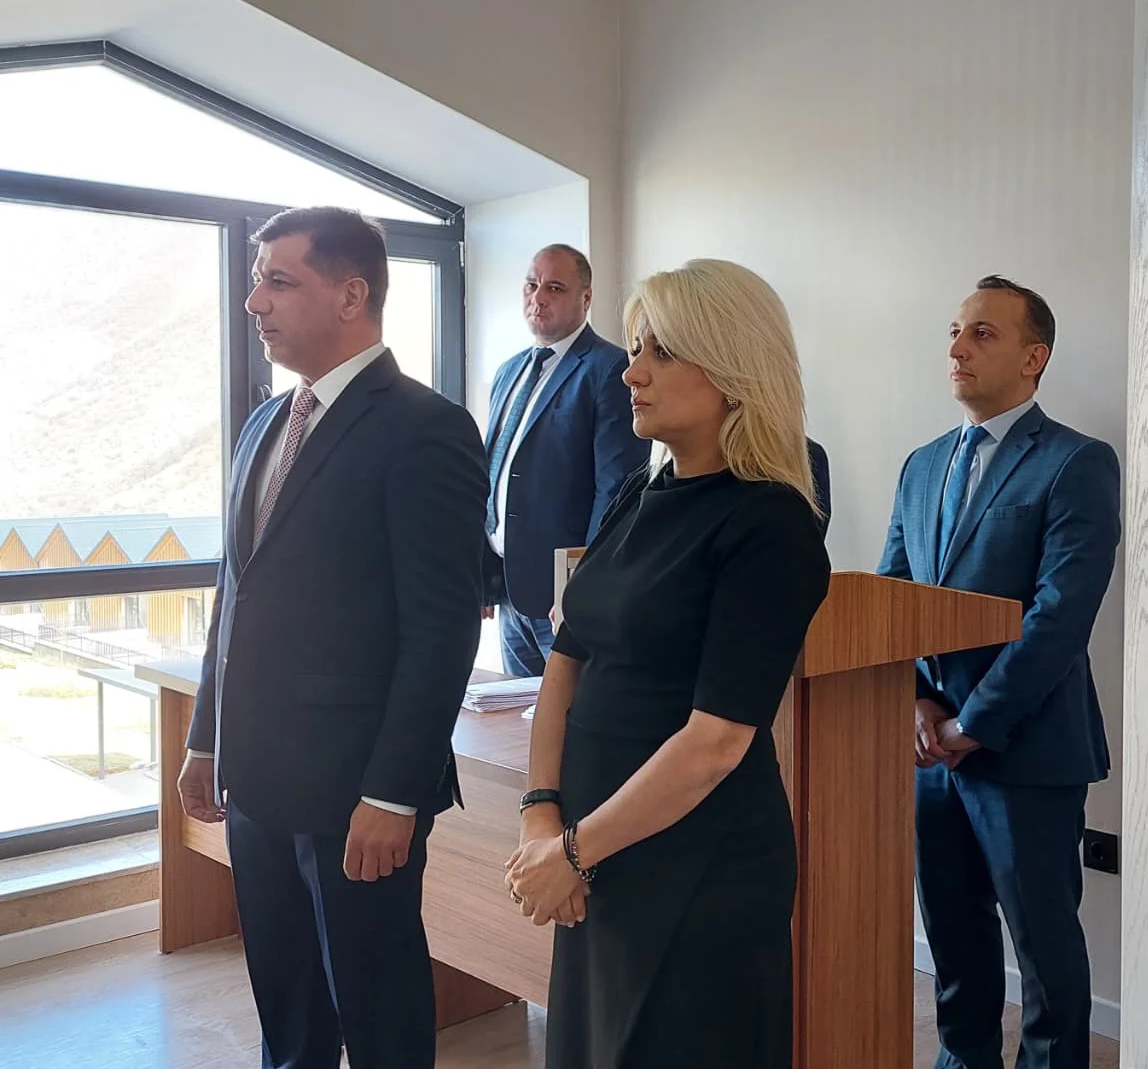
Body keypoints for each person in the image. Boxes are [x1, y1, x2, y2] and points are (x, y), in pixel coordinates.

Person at [177, 207, 488, 1069]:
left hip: (357, 791)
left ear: (352, 296)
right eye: (257, 280)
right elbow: (235, 596)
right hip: (257, 780)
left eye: (278, 281)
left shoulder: (425, 429)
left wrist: (394, 792)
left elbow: (441, 628)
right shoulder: (263, 426)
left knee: (378, 1010)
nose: (254, 302)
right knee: (288, 1011)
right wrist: (207, 737)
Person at [503, 259, 831, 1068]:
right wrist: (542, 812)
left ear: (732, 370)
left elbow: (716, 741)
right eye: (636, 348)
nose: (632, 371)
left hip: (700, 867)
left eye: (662, 351)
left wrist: (572, 849)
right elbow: (567, 657)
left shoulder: (771, 523)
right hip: (596, 852)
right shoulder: (634, 495)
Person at [877, 275, 1121, 1069]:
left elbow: (1059, 617)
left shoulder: (1077, 462)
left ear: (1033, 356)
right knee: (954, 939)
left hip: (1027, 748)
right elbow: (892, 600)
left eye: (982, 332)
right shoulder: (920, 466)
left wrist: (971, 723)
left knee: (1045, 952)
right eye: (954, 331)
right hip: (929, 754)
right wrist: (917, 704)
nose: (958, 346)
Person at [483, 244, 650, 676]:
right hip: (510, 591)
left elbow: (615, 489)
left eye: (554, 288)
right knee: (519, 716)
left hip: (564, 595)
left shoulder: (609, 369)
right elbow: (493, 473)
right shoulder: (509, 371)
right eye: (531, 285)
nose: (538, 298)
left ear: (586, 297)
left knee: (569, 711)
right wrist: (482, 571)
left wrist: (583, 585)